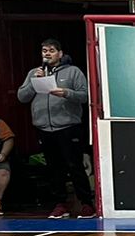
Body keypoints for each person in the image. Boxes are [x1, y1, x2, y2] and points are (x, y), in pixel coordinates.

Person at [16, 38, 94, 218]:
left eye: (51, 50)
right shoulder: (34, 73)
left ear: (60, 53)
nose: (47, 53)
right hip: (44, 128)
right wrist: (33, 82)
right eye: (44, 51)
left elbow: (84, 96)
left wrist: (65, 92)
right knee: (53, 169)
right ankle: (60, 204)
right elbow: (22, 97)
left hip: (68, 127)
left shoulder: (73, 72)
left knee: (74, 166)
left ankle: (86, 203)